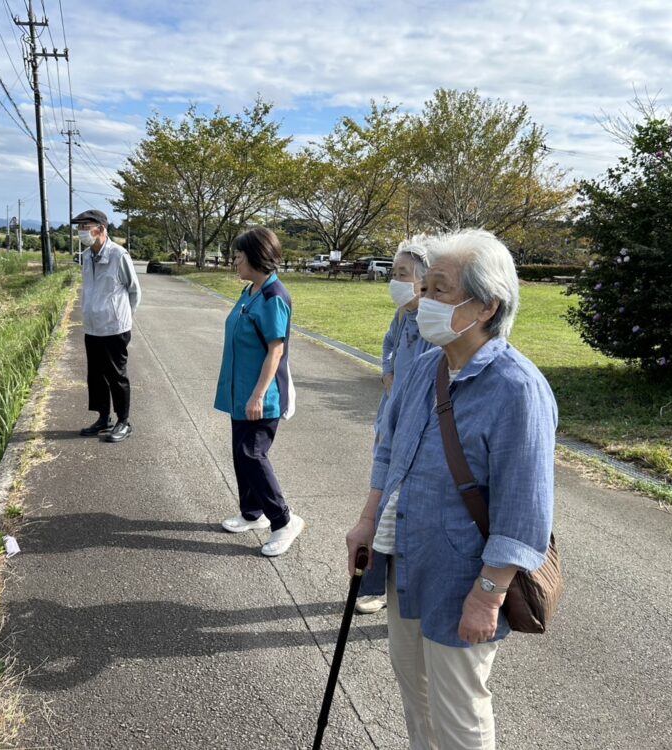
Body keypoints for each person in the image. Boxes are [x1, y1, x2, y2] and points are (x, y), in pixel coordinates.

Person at [345, 229, 557, 749]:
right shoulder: (425, 366)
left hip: (464, 577)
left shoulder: (517, 388)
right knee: (414, 692)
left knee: (459, 709)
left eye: (439, 289)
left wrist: (487, 597)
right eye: (426, 286)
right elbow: (390, 450)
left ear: (485, 306)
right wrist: (368, 520)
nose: (422, 299)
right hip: (406, 561)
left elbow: (524, 512)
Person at [214, 226, 304, 557]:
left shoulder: (273, 297)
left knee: (253, 453)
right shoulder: (251, 291)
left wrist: (258, 395)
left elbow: (275, 350)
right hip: (242, 392)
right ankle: (253, 513)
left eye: (238, 256)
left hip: (262, 396)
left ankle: (283, 520)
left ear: (255, 257)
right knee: (241, 453)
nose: (234, 262)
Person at [356, 235, 434, 616]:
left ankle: (379, 586)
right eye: (395, 272)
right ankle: (374, 584)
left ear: (425, 279)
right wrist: (387, 374)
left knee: (392, 505)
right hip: (390, 418)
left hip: (414, 428)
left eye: (401, 273)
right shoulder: (404, 314)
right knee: (380, 499)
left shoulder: (436, 325)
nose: (395, 280)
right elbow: (388, 344)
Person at [74, 209, 141, 443]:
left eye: (85, 226)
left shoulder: (118, 254)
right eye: (79, 227)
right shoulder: (85, 256)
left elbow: (134, 290)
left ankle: (124, 421)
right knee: (96, 375)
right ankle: (104, 418)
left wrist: (124, 318)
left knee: (116, 375)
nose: (81, 231)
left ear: (101, 229)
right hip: (92, 327)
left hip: (115, 328)